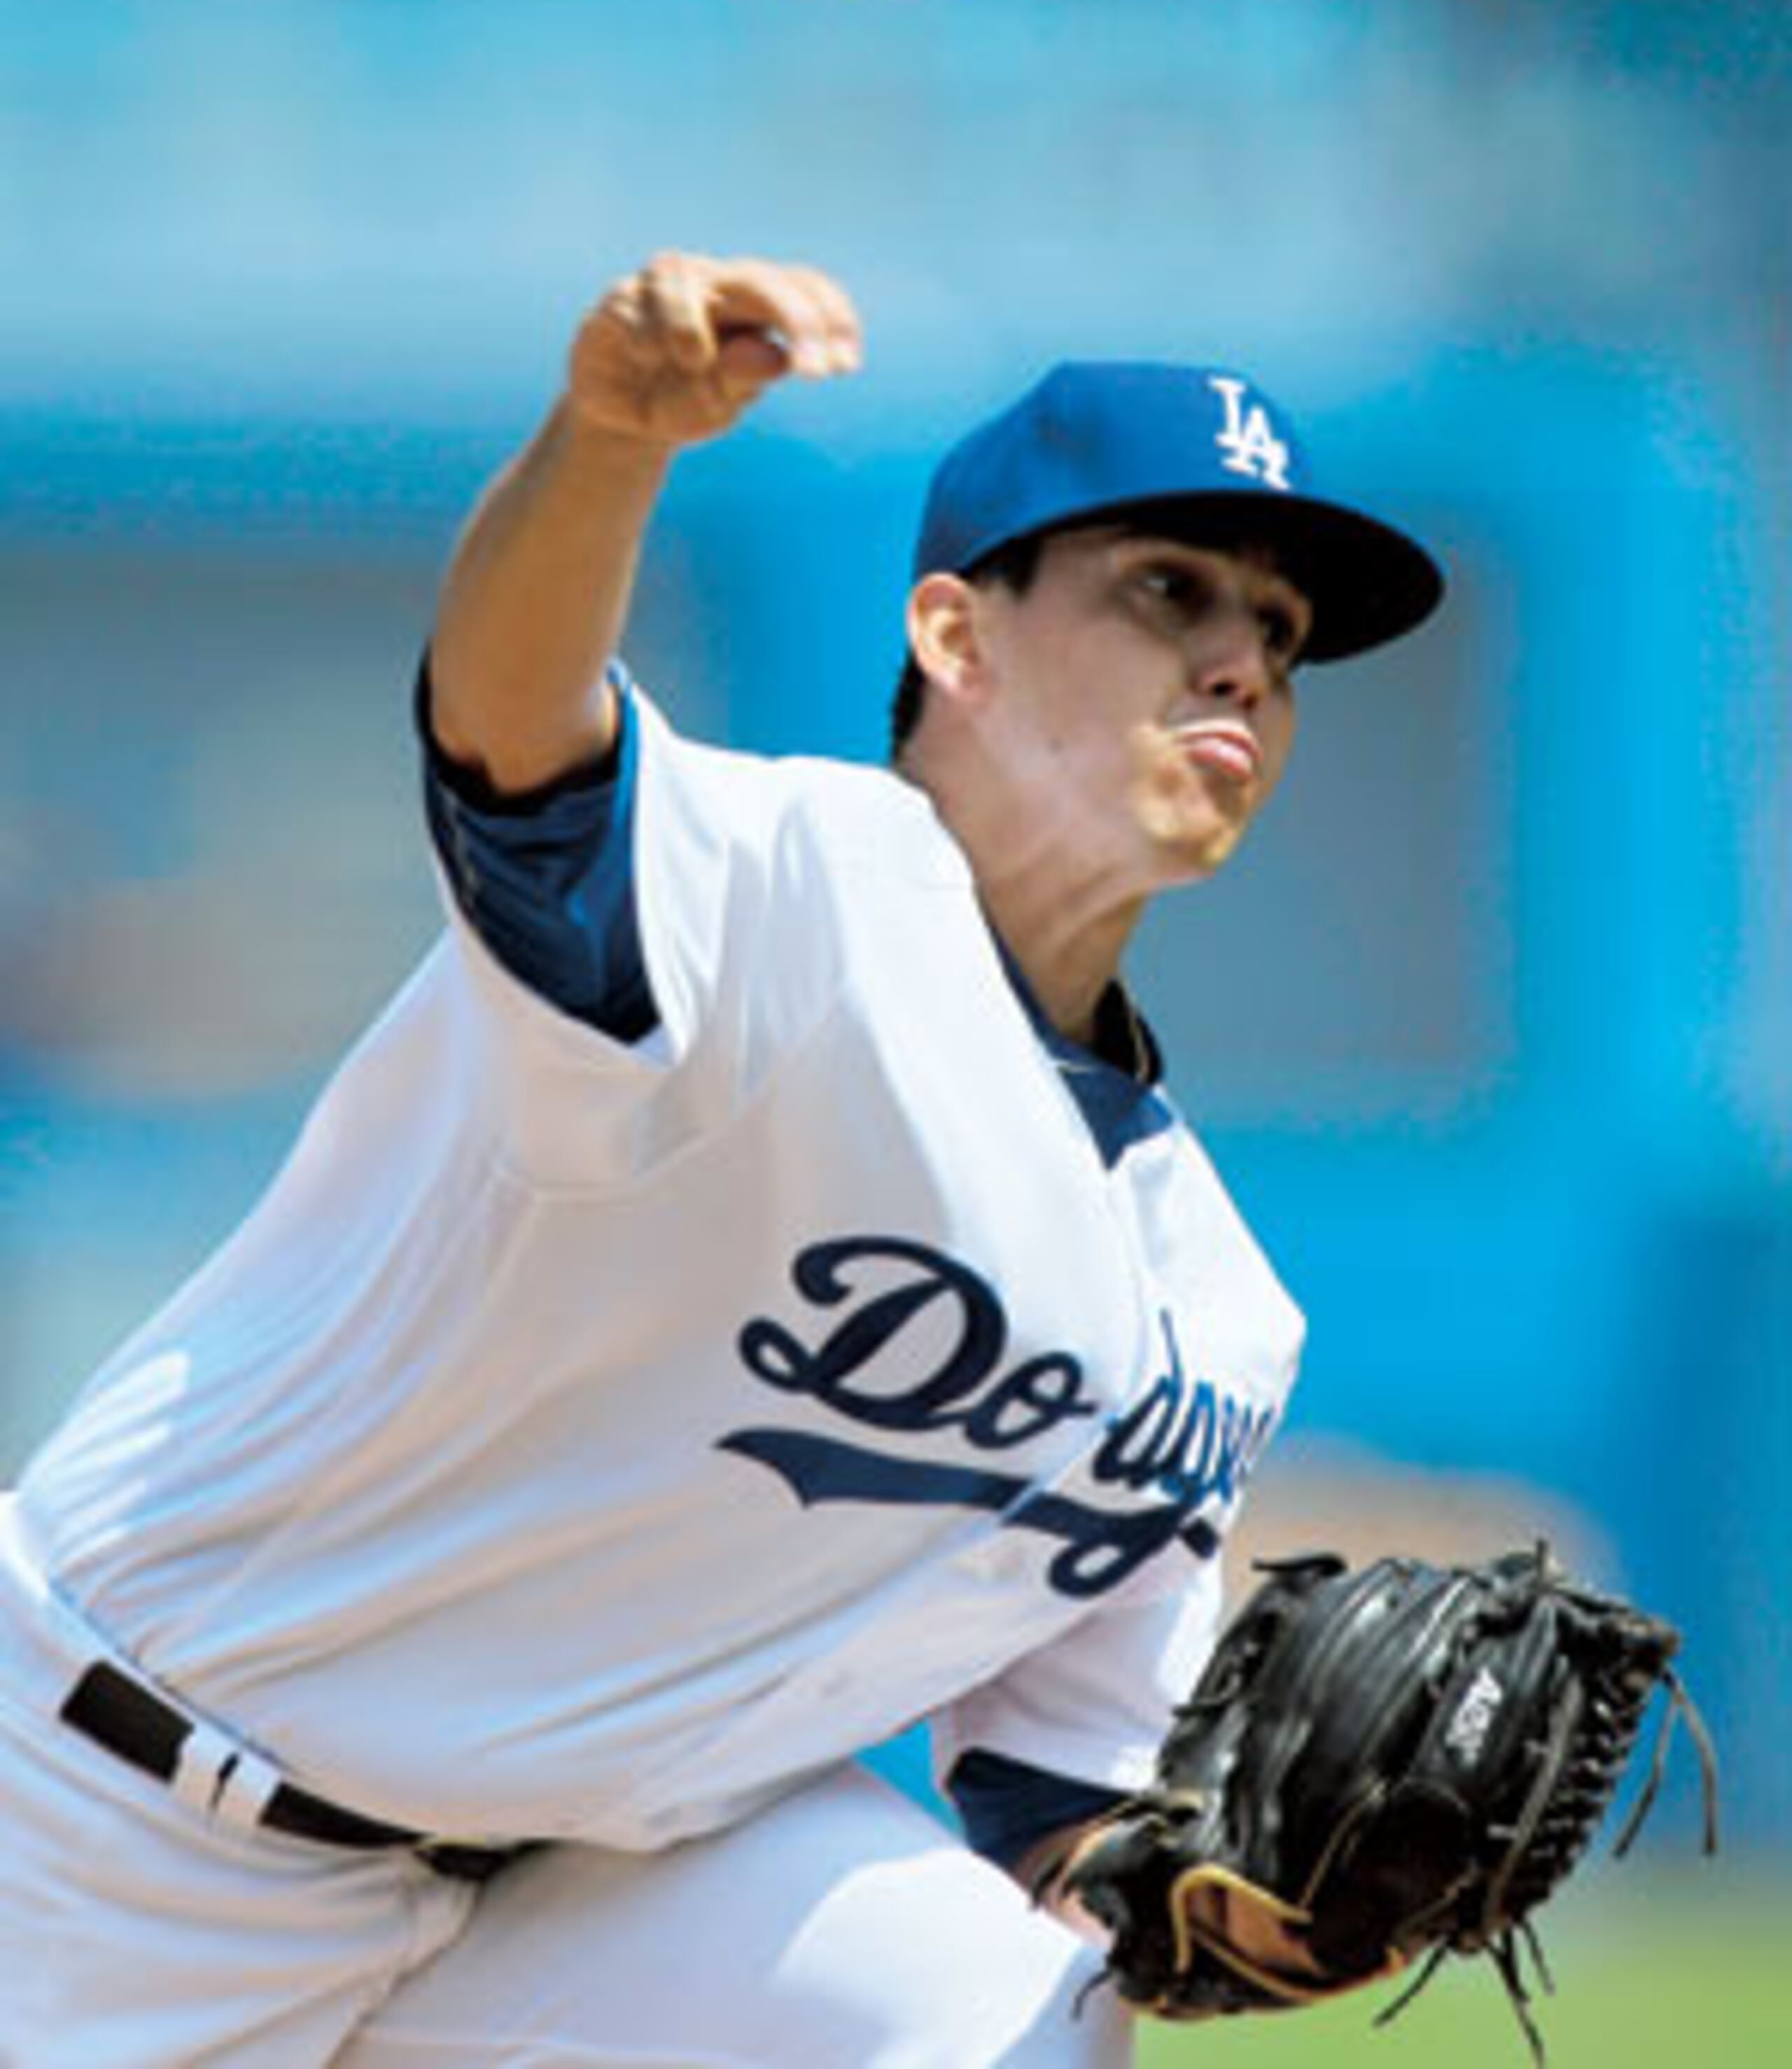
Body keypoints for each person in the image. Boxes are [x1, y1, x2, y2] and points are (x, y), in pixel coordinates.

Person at [0, 250, 1444, 2067]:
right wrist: (605, 444)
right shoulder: (788, 887)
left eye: (1280, 637)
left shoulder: (1215, 1309)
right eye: (1168, 589)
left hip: (566, 1903)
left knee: (1010, 2012)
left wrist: (1240, 1914)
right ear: (957, 637)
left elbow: (1061, 1805)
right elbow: (513, 747)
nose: (1243, 656)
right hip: (96, 1813)